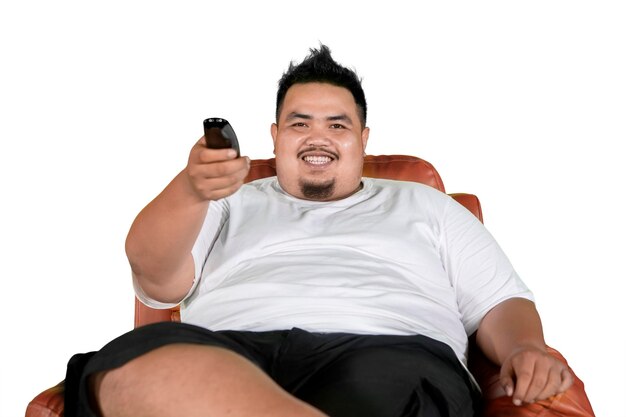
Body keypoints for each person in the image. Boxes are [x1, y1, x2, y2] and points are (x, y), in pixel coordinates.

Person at [65, 45, 573, 417]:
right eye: (300, 123)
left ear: (363, 139)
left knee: (381, 388)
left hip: (386, 350)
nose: (318, 137)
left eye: (337, 124)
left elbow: (500, 302)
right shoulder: (224, 203)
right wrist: (191, 190)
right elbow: (155, 280)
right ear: (276, 136)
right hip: (229, 352)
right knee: (131, 367)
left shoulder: (428, 206)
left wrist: (524, 347)